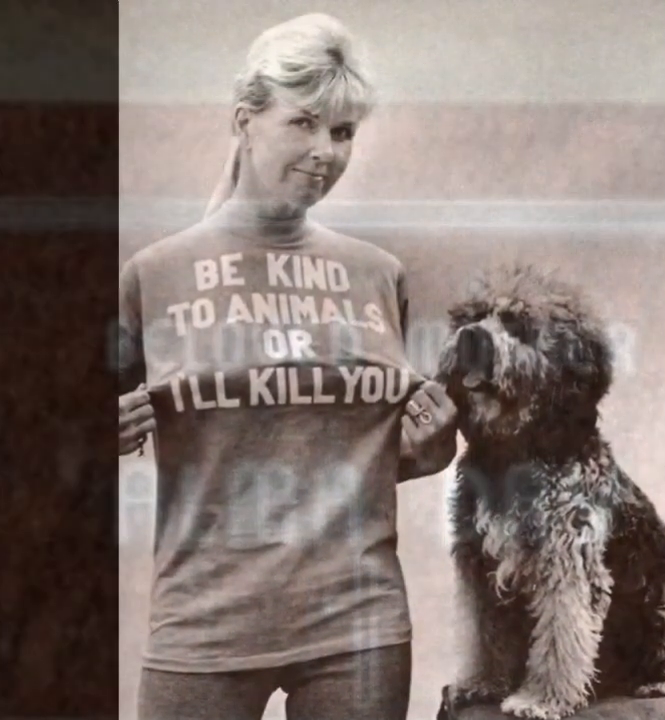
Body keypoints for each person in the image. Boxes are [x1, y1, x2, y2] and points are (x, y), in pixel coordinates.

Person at [116, 13, 458, 720]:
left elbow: (368, 451)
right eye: (303, 124)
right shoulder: (155, 275)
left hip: (357, 626)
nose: (324, 154)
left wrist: (428, 450)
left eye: (342, 133)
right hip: (204, 626)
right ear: (245, 120)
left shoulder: (379, 275)